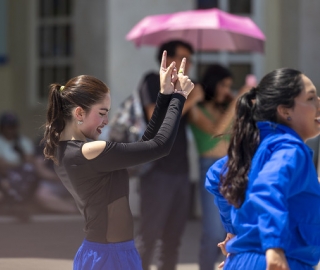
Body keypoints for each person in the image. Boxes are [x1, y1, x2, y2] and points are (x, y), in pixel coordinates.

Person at [42, 51, 195, 270]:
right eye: (102, 113)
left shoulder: (66, 150)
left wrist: (164, 95)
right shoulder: (91, 151)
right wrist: (179, 97)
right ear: (79, 113)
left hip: (109, 253)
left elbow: (147, 145)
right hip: (109, 257)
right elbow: (160, 146)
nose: (106, 121)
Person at [205, 68, 320, 269]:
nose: (319, 103)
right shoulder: (290, 149)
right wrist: (274, 247)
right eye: (311, 98)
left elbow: (217, 176)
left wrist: (236, 231)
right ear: (285, 111)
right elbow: (268, 187)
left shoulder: (259, 147)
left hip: (243, 260)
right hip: (276, 261)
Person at [136, 40, 203, 270]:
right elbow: (157, 116)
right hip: (157, 171)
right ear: (170, 59)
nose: (189, 64)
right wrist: (189, 98)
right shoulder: (151, 80)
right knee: (149, 236)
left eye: (192, 59)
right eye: (185, 58)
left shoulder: (187, 86)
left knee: (173, 240)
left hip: (182, 171)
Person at [188, 64, 234, 270]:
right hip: (210, 168)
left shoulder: (225, 106)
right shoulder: (196, 108)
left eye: (230, 86)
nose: (227, 90)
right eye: (223, 85)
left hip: (233, 166)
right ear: (213, 83)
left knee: (232, 229)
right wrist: (236, 103)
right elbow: (216, 131)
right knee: (213, 231)